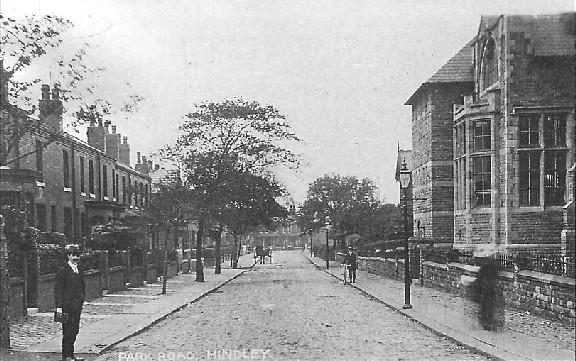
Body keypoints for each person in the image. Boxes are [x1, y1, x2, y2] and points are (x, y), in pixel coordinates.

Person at [54, 244, 86, 361]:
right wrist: (59, 306)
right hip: (66, 307)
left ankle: (71, 355)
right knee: (67, 331)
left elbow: (82, 286)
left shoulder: (79, 269)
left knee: (75, 330)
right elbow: (58, 289)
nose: (76, 258)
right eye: (73, 255)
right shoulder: (63, 271)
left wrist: (82, 298)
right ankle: (66, 356)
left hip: (77, 306)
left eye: (78, 255)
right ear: (68, 256)